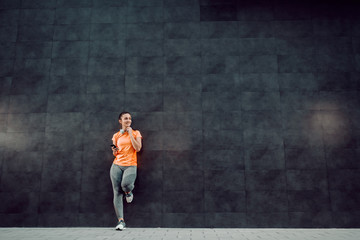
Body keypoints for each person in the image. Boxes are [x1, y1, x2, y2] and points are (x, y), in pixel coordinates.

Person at [110, 112, 142, 231]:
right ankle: (121, 221)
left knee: (125, 185)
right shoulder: (116, 135)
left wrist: (130, 133)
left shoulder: (136, 133)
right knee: (117, 192)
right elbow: (115, 152)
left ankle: (128, 192)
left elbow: (138, 148)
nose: (128, 120)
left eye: (129, 118)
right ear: (120, 121)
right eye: (126, 118)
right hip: (116, 165)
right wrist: (114, 151)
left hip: (130, 165)